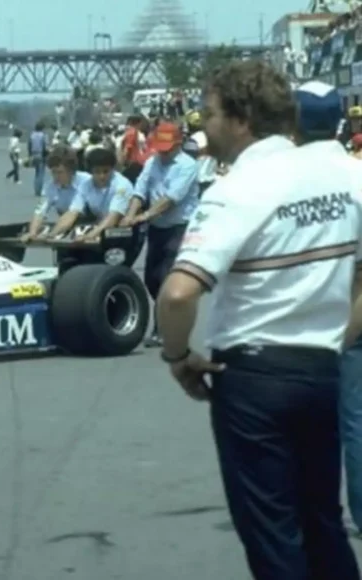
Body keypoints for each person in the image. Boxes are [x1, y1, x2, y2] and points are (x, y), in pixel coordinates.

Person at [156, 66, 361, 579]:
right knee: (323, 523)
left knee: (274, 536)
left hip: (254, 381)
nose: (206, 127)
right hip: (320, 371)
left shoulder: (239, 188)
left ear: (242, 120)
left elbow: (179, 293)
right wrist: (338, 339)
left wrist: (178, 357)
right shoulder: (346, 175)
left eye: (212, 114)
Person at [121, 121, 200, 347]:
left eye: (168, 150)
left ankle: (161, 328)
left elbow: (170, 200)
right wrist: (130, 214)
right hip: (157, 227)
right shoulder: (153, 162)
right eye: (160, 149)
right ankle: (170, 313)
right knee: (151, 279)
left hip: (179, 226)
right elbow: (140, 189)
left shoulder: (187, 166)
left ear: (178, 145)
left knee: (166, 276)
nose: (163, 154)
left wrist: (143, 216)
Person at [44, 148, 132, 254]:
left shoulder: (122, 185)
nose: (102, 176)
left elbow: (112, 218)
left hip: (125, 232)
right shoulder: (86, 186)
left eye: (106, 171)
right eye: (97, 172)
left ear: (112, 169)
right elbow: (72, 213)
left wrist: (89, 236)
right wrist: (51, 234)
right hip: (101, 228)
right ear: (91, 171)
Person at [19, 145, 91, 242]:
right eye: (53, 172)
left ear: (71, 171)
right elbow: (40, 212)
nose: (56, 176)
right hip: (65, 226)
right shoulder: (50, 186)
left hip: (90, 224)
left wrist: (50, 235)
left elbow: (72, 213)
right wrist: (32, 233)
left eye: (60, 172)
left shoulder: (86, 181)